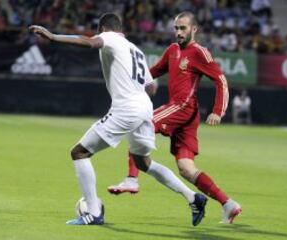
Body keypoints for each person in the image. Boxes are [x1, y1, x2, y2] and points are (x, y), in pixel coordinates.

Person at [29, 13, 207, 226]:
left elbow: (89, 42)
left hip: (127, 108)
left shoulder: (110, 38)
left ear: (104, 28)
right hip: (144, 107)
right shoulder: (136, 50)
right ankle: (193, 197)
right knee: (143, 162)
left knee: (79, 152)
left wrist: (54, 37)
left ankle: (94, 213)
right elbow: (151, 86)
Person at [108, 11, 242, 224]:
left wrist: (218, 111)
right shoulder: (172, 50)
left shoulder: (199, 52)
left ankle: (132, 179)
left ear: (194, 29)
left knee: (139, 123)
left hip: (183, 107)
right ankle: (228, 204)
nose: (178, 32)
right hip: (183, 113)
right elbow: (153, 71)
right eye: (176, 28)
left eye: (183, 28)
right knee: (186, 169)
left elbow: (221, 80)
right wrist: (137, 82)